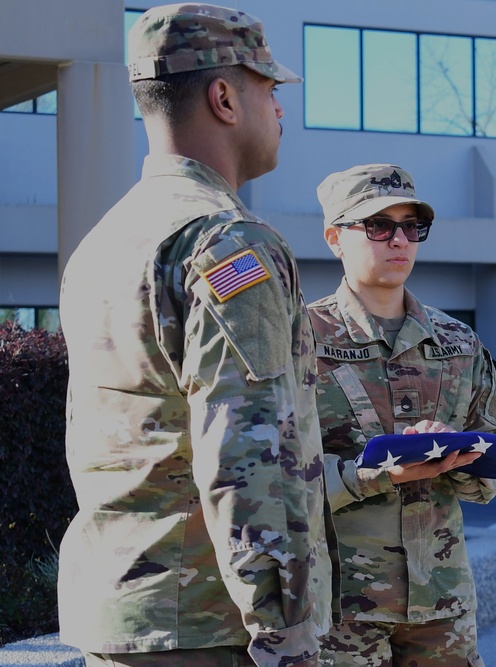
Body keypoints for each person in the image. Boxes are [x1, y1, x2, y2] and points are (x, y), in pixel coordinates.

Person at [57, 4, 336, 666]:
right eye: (268, 86)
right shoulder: (225, 241)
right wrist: (287, 639)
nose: (279, 107)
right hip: (208, 630)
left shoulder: (105, 242)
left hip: (123, 616)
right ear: (223, 97)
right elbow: (251, 462)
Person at [309, 164, 496, 667]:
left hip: (442, 604)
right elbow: (267, 482)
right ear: (335, 238)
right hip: (339, 607)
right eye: (378, 225)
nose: (398, 240)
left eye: (410, 226)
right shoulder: (298, 341)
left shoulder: (458, 342)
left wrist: (459, 456)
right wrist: (371, 473)